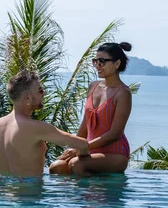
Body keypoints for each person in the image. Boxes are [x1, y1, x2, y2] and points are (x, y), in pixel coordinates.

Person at [0, 70, 89, 176]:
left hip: (4, 191)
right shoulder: (36, 128)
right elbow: (83, 145)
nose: (44, 93)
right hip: (30, 192)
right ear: (27, 97)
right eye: (40, 90)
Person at [49, 42, 132, 177]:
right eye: (95, 61)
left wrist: (83, 147)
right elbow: (85, 124)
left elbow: (115, 133)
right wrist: (74, 146)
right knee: (56, 167)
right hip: (89, 150)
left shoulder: (123, 93)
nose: (97, 65)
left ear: (117, 64)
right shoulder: (93, 86)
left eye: (102, 61)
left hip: (115, 154)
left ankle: (87, 197)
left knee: (77, 164)